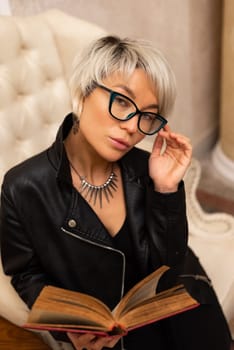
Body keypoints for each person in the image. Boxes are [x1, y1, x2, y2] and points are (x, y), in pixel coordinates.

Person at [0, 35, 231, 350]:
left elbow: (170, 261)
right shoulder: (22, 187)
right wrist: (67, 327)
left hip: (175, 304)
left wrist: (165, 188)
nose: (134, 127)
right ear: (83, 92)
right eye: (122, 101)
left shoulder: (147, 169)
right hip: (113, 337)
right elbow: (25, 274)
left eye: (148, 115)